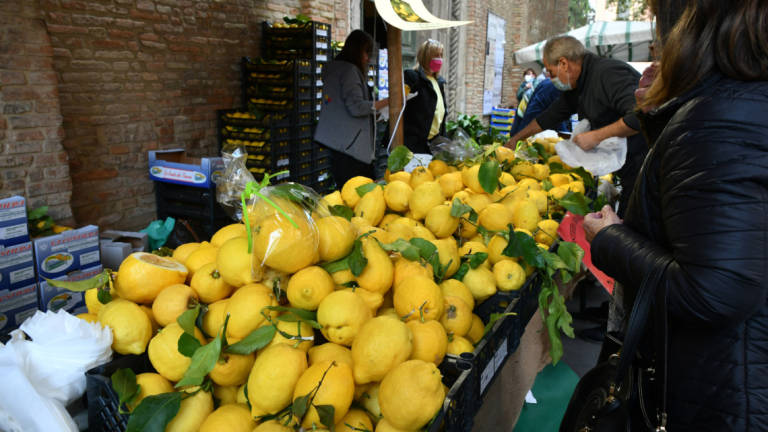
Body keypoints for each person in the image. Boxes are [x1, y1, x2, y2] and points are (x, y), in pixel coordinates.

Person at [583, 0, 768, 429]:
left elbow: (715, 291)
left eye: (659, 26)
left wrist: (610, 239)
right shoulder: (738, 104)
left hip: (712, 395)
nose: (659, 43)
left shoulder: (719, 119)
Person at [505, 36, 646, 217]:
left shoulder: (609, 74)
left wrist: (596, 136)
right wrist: (515, 138)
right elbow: (549, 117)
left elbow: (640, 115)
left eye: (550, 72)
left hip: (647, 170)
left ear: (564, 64)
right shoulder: (579, 85)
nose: (549, 78)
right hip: (627, 169)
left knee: (632, 225)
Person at [314, 30, 388, 185]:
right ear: (356, 50)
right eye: (366, 52)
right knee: (358, 192)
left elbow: (343, 107)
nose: (367, 58)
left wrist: (373, 114)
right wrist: (388, 102)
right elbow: (356, 107)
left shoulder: (335, 69)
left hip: (338, 143)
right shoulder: (349, 71)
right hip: (351, 149)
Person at [402, 39, 447, 154]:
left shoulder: (439, 82)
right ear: (426, 57)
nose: (439, 59)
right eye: (436, 55)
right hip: (415, 146)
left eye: (441, 55)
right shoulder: (413, 77)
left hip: (433, 145)